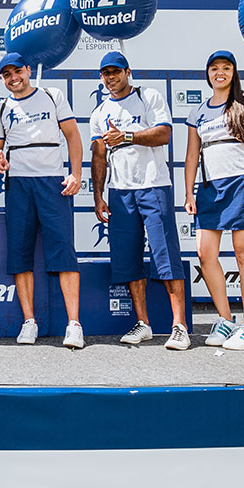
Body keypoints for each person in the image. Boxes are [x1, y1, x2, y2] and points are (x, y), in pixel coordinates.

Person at [89, 51, 189, 349]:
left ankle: (179, 326)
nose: (111, 77)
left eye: (116, 72)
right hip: (120, 192)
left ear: (127, 72)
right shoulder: (99, 112)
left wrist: (128, 137)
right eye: (106, 73)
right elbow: (98, 156)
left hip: (153, 186)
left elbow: (164, 134)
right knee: (128, 260)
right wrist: (97, 196)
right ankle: (143, 324)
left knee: (166, 256)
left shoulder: (149, 96)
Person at [183, 50, 244, 350]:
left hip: (243, 183)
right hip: (211, 188)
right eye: (214, 68)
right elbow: (191, 155)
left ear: (233, 72)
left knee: (243, 253)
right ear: (208, 74)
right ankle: (226, 320)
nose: (220, 73)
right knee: (205, 254)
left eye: (226, 67)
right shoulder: (197, 111)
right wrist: (189, 191)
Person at [0, 53, 85, 349]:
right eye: (6, 74)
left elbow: (73, 136)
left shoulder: (52, 96)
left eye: (17, 71)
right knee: (20, 255)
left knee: (64, 252)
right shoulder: (1, 107)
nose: (13, 77)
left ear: (28, 70)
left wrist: (76, 174)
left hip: (52, 183)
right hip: (17, 185)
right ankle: (29, 321)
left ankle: (74, 324)